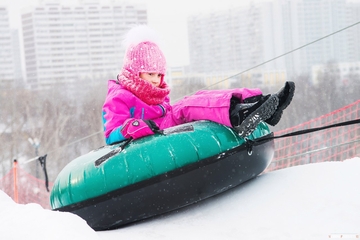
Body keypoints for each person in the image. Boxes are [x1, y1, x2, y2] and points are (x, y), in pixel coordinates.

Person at [102, 25, 295, 145]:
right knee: (187, 106)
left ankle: (258, 101)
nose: (155, 79)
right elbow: (111, 134)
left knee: (198, 97)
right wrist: (132, 126)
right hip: (156, 132)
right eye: (150, 73)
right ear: (135, 71)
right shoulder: (119, 96)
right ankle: (238, 115)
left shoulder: (154, 92)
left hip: (165, 125)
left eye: (159, 74)